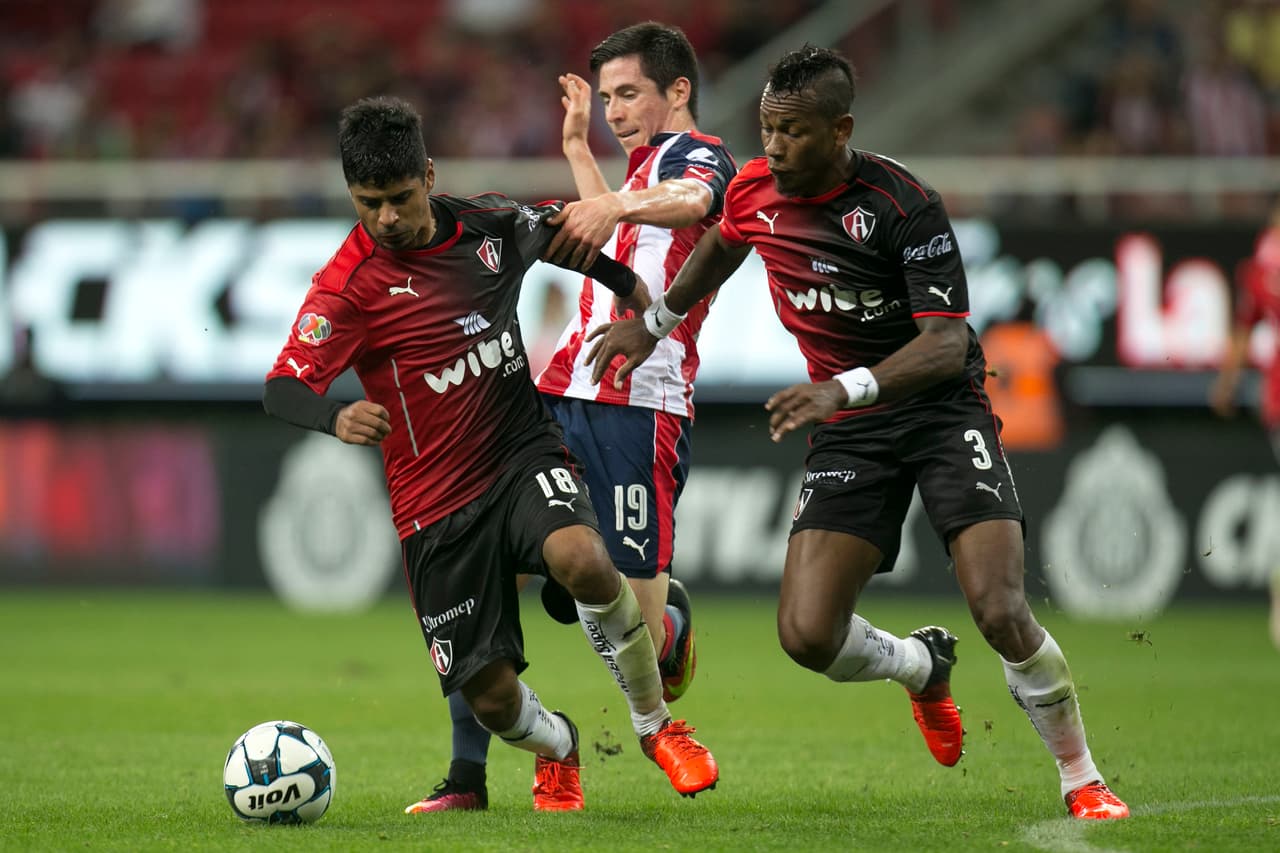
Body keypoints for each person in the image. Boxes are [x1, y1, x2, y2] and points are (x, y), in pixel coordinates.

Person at [584, 45, 1130, 820]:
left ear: (840, 130)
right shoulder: (753, 189)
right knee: (806, 633)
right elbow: (722, 245)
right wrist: (656, 321)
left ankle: (1082, 777)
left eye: (793, 133)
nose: (772, 147)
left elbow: (945, 343)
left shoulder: (905, 205)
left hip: (940, 410)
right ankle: (919, 664)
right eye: (767, 128)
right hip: (849, 425)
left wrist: (844, 386)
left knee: (1001, 607)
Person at [262, 95, 719, 815]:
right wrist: (335, 412)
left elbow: (571, 242)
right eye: (368, 202)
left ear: (430, 175)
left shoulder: (489, 227)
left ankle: (657, 725)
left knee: (584, 560)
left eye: (399, 197)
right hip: (434, 503)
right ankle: (559, 744)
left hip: (519, 454)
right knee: (495, 698)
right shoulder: (347, 288)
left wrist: (636, 299)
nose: (385, 217)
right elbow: (282, 386)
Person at [418, 21, 738, 813]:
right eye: (607, 98)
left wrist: (617, 194)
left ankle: (670, 633)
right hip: (559, 391)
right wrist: (576, 152)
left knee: (624, 622)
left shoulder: (702, 157)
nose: (616, 110)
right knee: (477, 547)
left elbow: (695, 201)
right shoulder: (634, 171)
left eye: (629, 93)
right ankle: (468, 775)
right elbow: (618, 237)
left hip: (642, 404)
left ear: (678, 91)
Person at [1210, 199, 1280, 649]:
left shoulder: (1261, 265)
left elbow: (1242, 327)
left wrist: (1228, 382)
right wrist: (1228, 381)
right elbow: (1242, 328)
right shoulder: (1263, 265)